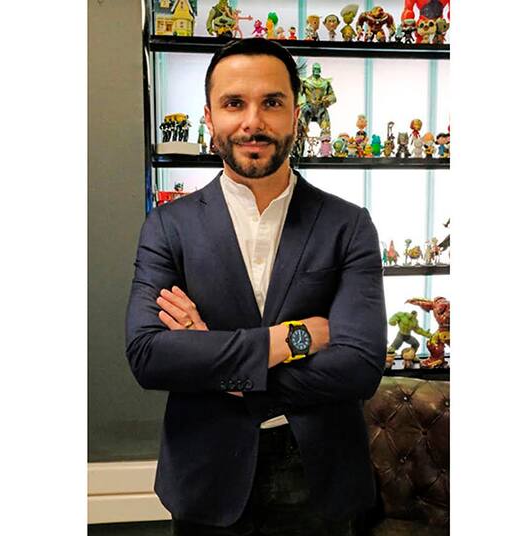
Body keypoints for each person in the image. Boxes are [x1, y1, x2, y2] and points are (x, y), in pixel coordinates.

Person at [125, 38, 386, 535]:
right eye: (233, 103)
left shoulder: (349, 225)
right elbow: (148, 355)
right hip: (205, 477)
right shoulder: (167, 227)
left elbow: (360, 366)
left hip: (321, 479)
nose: (253, 121)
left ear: (296, 115)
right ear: (209, 117)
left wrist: (214, 362)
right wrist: (292, 339)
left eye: (272, 102)